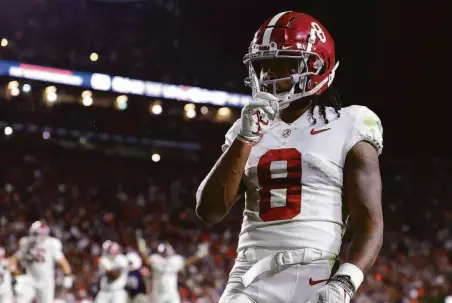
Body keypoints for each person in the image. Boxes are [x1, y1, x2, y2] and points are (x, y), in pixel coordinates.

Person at [196, 11, 384, 303]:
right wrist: (245, 139)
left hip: (316, 273)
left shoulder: (350, 123)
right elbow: (208, 211)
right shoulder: (245, 128)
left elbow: (369, 223)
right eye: (263, 66)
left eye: (281, 64)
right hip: (249, 277)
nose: (269, 76)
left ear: (316, 66)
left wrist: (344, 282)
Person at [9, 221, 73, 303]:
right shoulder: (26, 243)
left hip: (45, 282)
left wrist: (68, 276)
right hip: (29, 280)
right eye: (37, 234)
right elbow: (14, 260)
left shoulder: (51, 244)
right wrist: (19, 275)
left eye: (41, 234)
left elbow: (62, 262)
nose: (39, 237)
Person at [137, 236, 209, 303]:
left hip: (171, 294)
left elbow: (187, 263)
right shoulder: (155, 259)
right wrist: (142, 249)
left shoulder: (175, 260)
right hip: (158, 294)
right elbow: (147, 261)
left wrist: (199, 255)